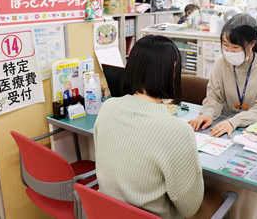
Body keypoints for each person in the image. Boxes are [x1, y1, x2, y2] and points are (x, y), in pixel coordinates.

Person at [94, 35, 223, 219]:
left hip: (108, 212)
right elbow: (189, 208)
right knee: (216, 196)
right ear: (172, 73)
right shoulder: (178, 131)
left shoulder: (107, 107)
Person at [188, 15, 257, 138]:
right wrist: (208, 114)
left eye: (236, 47)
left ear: (252, 44)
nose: (229, 51)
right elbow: (214, 97)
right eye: (225, 45)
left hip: (255, 129)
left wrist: (234, 122)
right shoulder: (221, 62)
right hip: (224, 126)